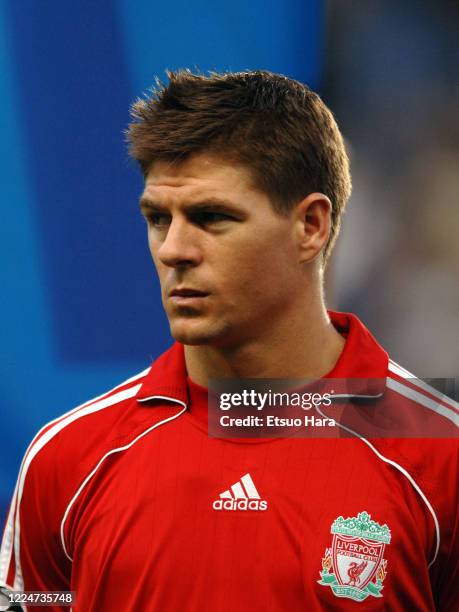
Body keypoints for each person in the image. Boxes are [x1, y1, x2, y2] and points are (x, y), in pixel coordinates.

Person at [0, 70, 457, 611]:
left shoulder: (440, 457)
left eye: (211, 217)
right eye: (157, 218)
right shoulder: (68, 459)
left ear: (310, 225)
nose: (173, 249)